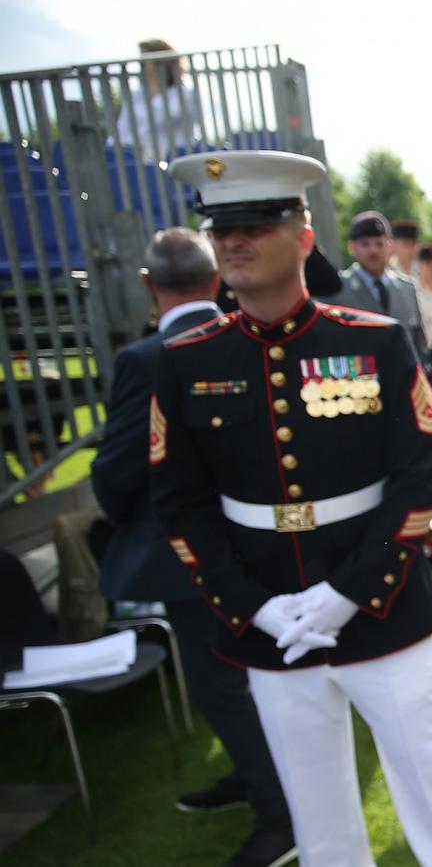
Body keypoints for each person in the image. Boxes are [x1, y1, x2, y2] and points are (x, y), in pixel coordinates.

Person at [153, 150, 432, 867]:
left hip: (380, 607)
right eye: (222, 230)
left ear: (305, 236)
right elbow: (181, 506)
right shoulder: (187, 360)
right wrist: (253, 607)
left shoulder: (373, 342)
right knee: (318, 817)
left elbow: (418, 479)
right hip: (272, 622)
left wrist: (350, 592)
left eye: (256, 224)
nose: (235, 243)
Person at [91, 227, 294, 867]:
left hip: (191, 556)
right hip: (266, 546)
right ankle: (258, 780)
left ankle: (279, 813)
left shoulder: (147, 358)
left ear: (148, 285)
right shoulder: (256, 336)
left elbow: (120, 471)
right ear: (216, 280)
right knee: (256, 682)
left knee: (222, 689)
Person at [327, 210, 430, 357]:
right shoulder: (338, 289)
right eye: (365, 244)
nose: (373, 250)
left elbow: (420, 348)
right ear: (352, 247)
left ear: (389, 247)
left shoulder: (408, 289)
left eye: (379, 244)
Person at [111, 39, 203, 153]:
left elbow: (166, 118)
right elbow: (122, 129)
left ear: (165, 63)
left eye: (147, 60)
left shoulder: (185, 95)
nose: (142, 64)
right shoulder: (135, 95)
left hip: (176, 156)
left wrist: (154, 87)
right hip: (139, 158)